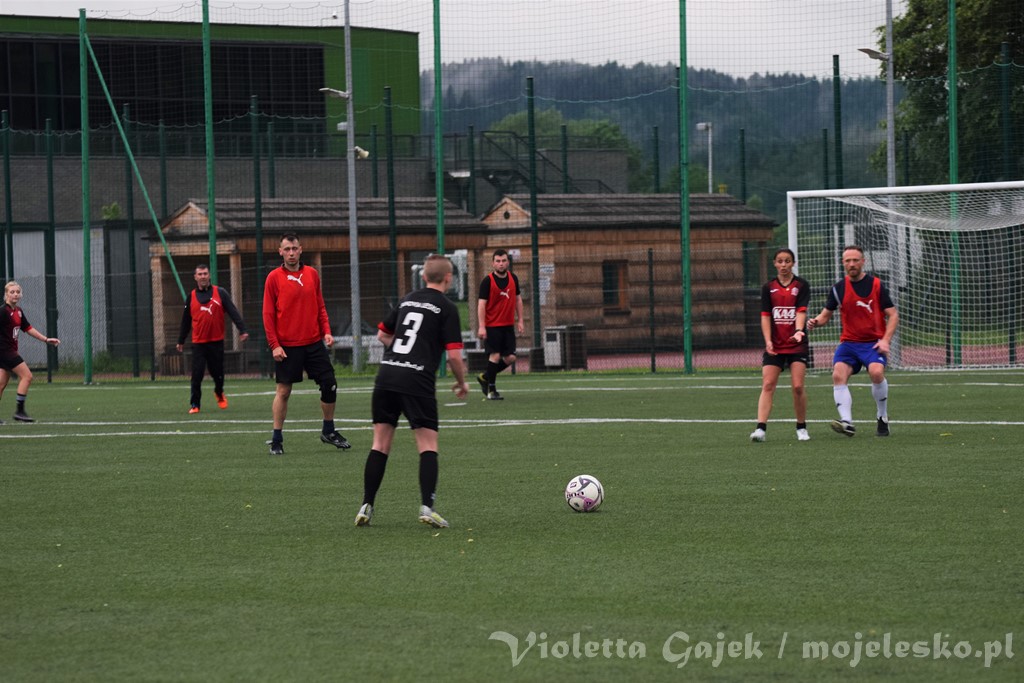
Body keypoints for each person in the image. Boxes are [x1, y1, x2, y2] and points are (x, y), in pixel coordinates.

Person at [355, 254, 469, 529]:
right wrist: (462, 382)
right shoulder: (447, 307)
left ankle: (366, 505)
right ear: (449, 279)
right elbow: (454, 356)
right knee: (427, 444)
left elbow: (383, 335)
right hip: (417, 379)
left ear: (423, 276)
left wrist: (402, 351)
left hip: (387, 375)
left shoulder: (406, 300)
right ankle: (427, 507)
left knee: (380, 444)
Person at [262, 233, 350, 455]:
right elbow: (268, 314)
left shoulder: (312, 274)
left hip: (313, 343)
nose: (291, 253)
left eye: (294, 248)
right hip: (287, 345)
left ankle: (328, 431)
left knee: (330, 384)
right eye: (287, 249)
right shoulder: (273, 278)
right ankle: (276, 439)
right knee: (284, 391)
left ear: (301, 249)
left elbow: (320, 306)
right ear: (280, 252)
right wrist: (274, 344)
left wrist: (326, 331)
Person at [807, 245, 899, 437]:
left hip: (873, 343)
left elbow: (893, 315)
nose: (852, 264)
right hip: (849, 344)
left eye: (855, 260)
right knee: (838, 375)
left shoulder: (876, 285)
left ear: (863, 261)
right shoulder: (838, 289)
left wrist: (885, 340)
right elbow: (825, 315)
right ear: (843, 263)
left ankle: (882, 417)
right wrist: (815, 321)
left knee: (876, 373)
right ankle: (847, 422)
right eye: (848, 261)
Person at [750, 248, 811, 442]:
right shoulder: (768, 287)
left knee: (798, 386)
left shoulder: (801, 285)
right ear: (775, 264)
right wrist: (768, 341)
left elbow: (801, 311)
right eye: (780, 261)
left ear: (793, 263)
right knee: (768, 384)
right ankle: (760, 429)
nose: (783, 265)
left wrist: (798, 331)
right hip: (775, 345)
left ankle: (801, 428)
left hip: (796, 345)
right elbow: (765, 316)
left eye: (787, 261)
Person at [175, 264, 249, 414]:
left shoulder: (220, 293)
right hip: (198, 344)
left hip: (216, 342)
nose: (203, 276)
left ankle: (219, 392)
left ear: (209, 276)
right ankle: (195, 404)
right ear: (195, 277)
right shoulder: (191, 297)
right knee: (197, 374)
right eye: (200, 274)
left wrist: (242, 329)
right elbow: (186, 321)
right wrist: (181, 340)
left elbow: (233, 311)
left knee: (218, 374)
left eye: (205, 273)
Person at [0, 280, 61, 423]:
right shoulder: (3, 312)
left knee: (1, 384)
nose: (15, 294)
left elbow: (28, 328)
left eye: (18, 292)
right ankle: (20, 411)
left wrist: (46, 339)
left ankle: (19, 412)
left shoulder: (18, 312)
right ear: (6, 294)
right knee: (27, 376)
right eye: (12, 292)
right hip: (5, 351)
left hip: (8, 351)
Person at [475, 249, 523, 400]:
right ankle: (492, 390)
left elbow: (518, 300)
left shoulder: (513, 278)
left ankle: (485, 377)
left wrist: (520, 320)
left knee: (511, 357)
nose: (501, 264)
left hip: (508, 325)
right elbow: (481, 305)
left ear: (508, 262)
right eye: (498, 261)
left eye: (503, 261)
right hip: (492, 325)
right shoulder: (487, 281)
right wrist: (482, 326)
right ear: (493, 263)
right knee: (495, 355)